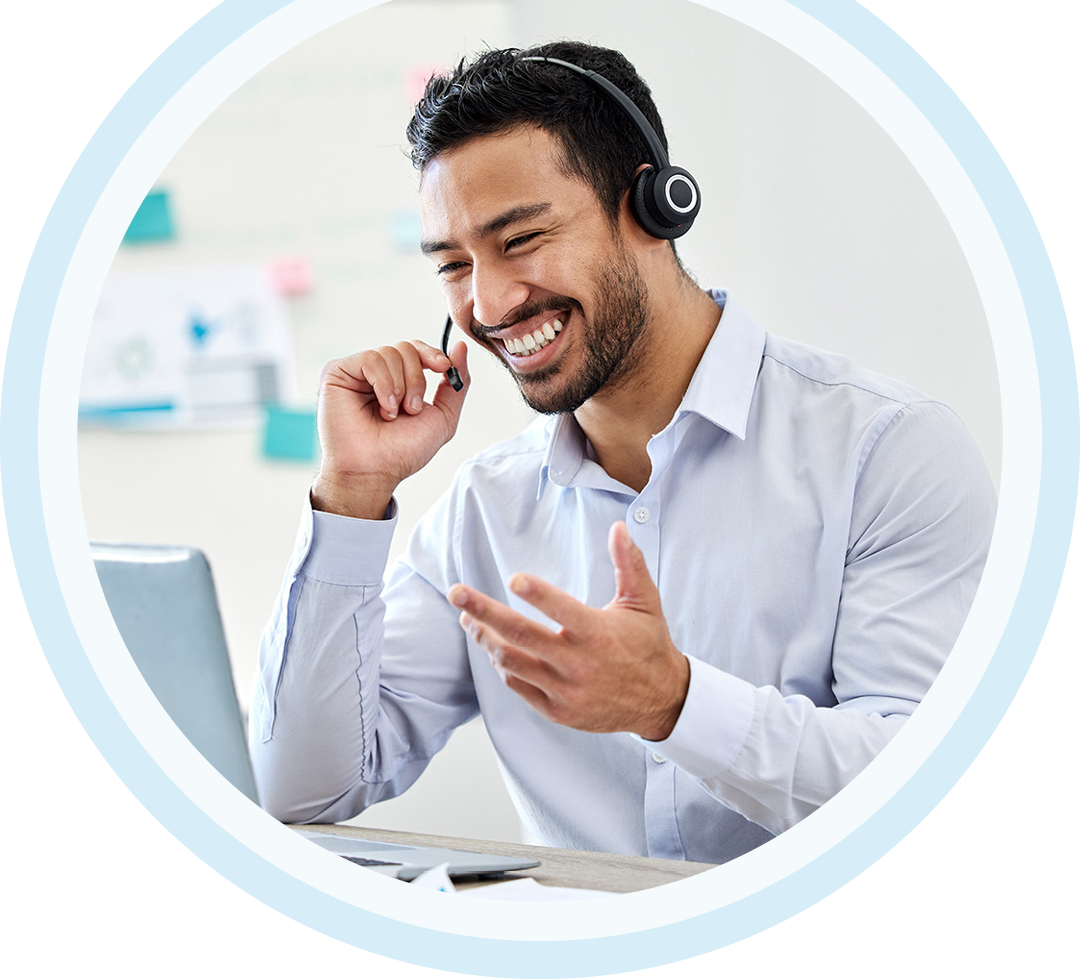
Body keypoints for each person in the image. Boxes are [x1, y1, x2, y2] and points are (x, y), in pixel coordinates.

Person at [249, 42, 996, 865]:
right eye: (454, 264)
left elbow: (926, 792)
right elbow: (302, 791)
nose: (488, 304)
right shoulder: (486, 511)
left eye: (521, 238)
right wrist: (352, 492)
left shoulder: (887, 453)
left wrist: (674, 704)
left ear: (653, 206)